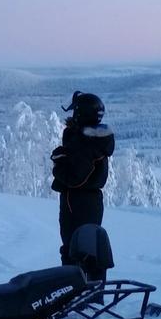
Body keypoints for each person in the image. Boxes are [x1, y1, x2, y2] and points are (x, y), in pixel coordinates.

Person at [50, 91, 115, 267]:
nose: (72, 115)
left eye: (75, 112)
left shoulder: (87, 142)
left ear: (81, 114)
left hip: (79, 204)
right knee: (83, 248)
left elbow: (74, 178)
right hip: (86, 202)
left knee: (75, 250)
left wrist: (58, 165)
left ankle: (76, 290)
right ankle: (83, 288)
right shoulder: (89, 139)